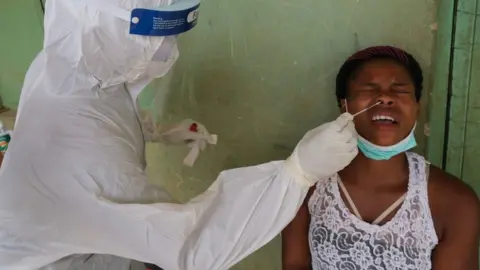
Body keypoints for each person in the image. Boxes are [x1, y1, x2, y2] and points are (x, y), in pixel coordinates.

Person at [0, 1, 360, 269]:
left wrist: (154, 132)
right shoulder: (88, 161)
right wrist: (297, 173)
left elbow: (102, 103)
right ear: (103, 23)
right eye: (153, 34)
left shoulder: (61, 64)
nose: (164, 47)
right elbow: (192, 246)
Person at [282, 46, 480, 270]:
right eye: (369, 89)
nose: (385, 97)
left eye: (400, 90)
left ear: (417, 107)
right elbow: (295, 264)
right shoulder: (308, 182)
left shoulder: (454, 202)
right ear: (344, 105)